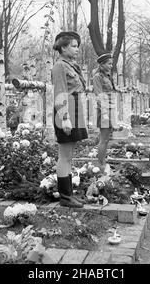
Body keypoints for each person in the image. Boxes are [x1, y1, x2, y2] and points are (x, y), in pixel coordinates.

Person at [51, 31, 88, 208]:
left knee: (69, 155)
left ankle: (69, 195)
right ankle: (65, 197)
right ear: (63, 47)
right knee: (64, 155)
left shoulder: (70, 65)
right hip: (65, 109)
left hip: (74, 108)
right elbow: (60, 92)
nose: (77, 49)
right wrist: (65, 118)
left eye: (77, 46)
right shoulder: (59, 66)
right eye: (73, 46)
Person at [92, 52, 116, 174]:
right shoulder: (97, 77)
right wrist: (105, 113)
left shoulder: (107, 76)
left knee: (106, 139)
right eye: (109, 63)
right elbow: (99, 95)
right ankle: (100, 165)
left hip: (111, 109)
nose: (111, 66)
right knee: (103, 139)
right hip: (104, 110)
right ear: (102, 64)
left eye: (112, 63)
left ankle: (103, 162)